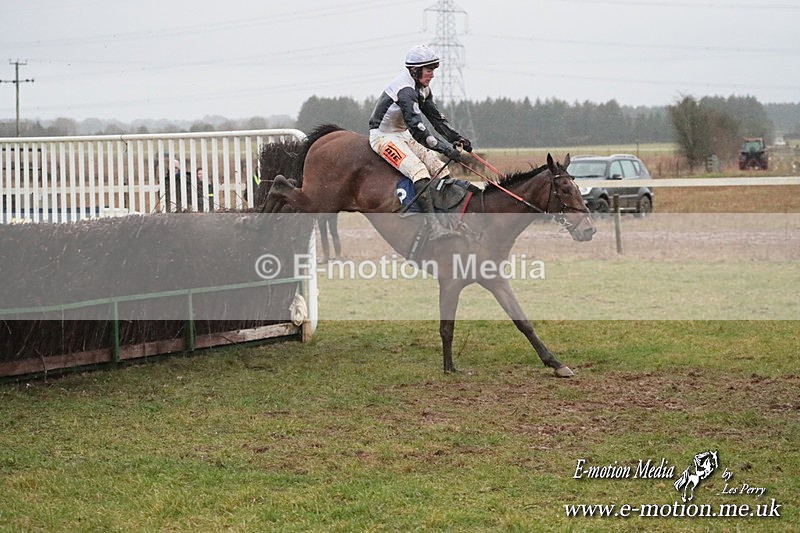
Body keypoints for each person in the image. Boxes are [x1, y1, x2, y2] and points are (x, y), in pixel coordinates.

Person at [368, 44, 472, 240]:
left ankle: (449, 219)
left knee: (438, 166)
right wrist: (445, 148)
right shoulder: (406, 91)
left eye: (433, 69)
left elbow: (436, 119)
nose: (432, 74)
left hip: (402, 134)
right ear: (415, 70)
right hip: (383, 136)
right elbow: (418, 130)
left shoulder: (422, 88)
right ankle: (433, 227)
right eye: (429, 70)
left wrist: (456, 138)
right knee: (419, 171)